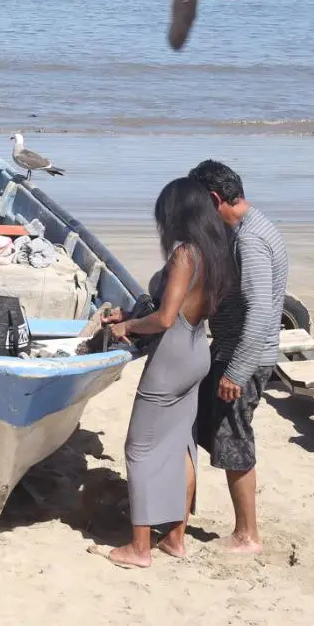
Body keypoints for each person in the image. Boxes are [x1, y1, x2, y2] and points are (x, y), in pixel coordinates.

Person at [100, 177, 236, 568]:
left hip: (171, 358)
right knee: (180, 446)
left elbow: (164, 317)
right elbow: (178, 309)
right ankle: (175, 537)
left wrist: (126, 327)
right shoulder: (215, 252)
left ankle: (139, 548)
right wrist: (132, 314)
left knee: (139, 450)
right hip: (197, 351)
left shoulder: (184, 255)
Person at [188, 159, 289, 555]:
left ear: (215, 199)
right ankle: (185, 510)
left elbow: (263, 310)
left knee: (235, 439)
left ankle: (247, 534)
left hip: (246, 358)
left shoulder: (250, 240)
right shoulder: (252, 227)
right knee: (214, 432)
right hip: (235, 352)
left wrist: (237, 371)